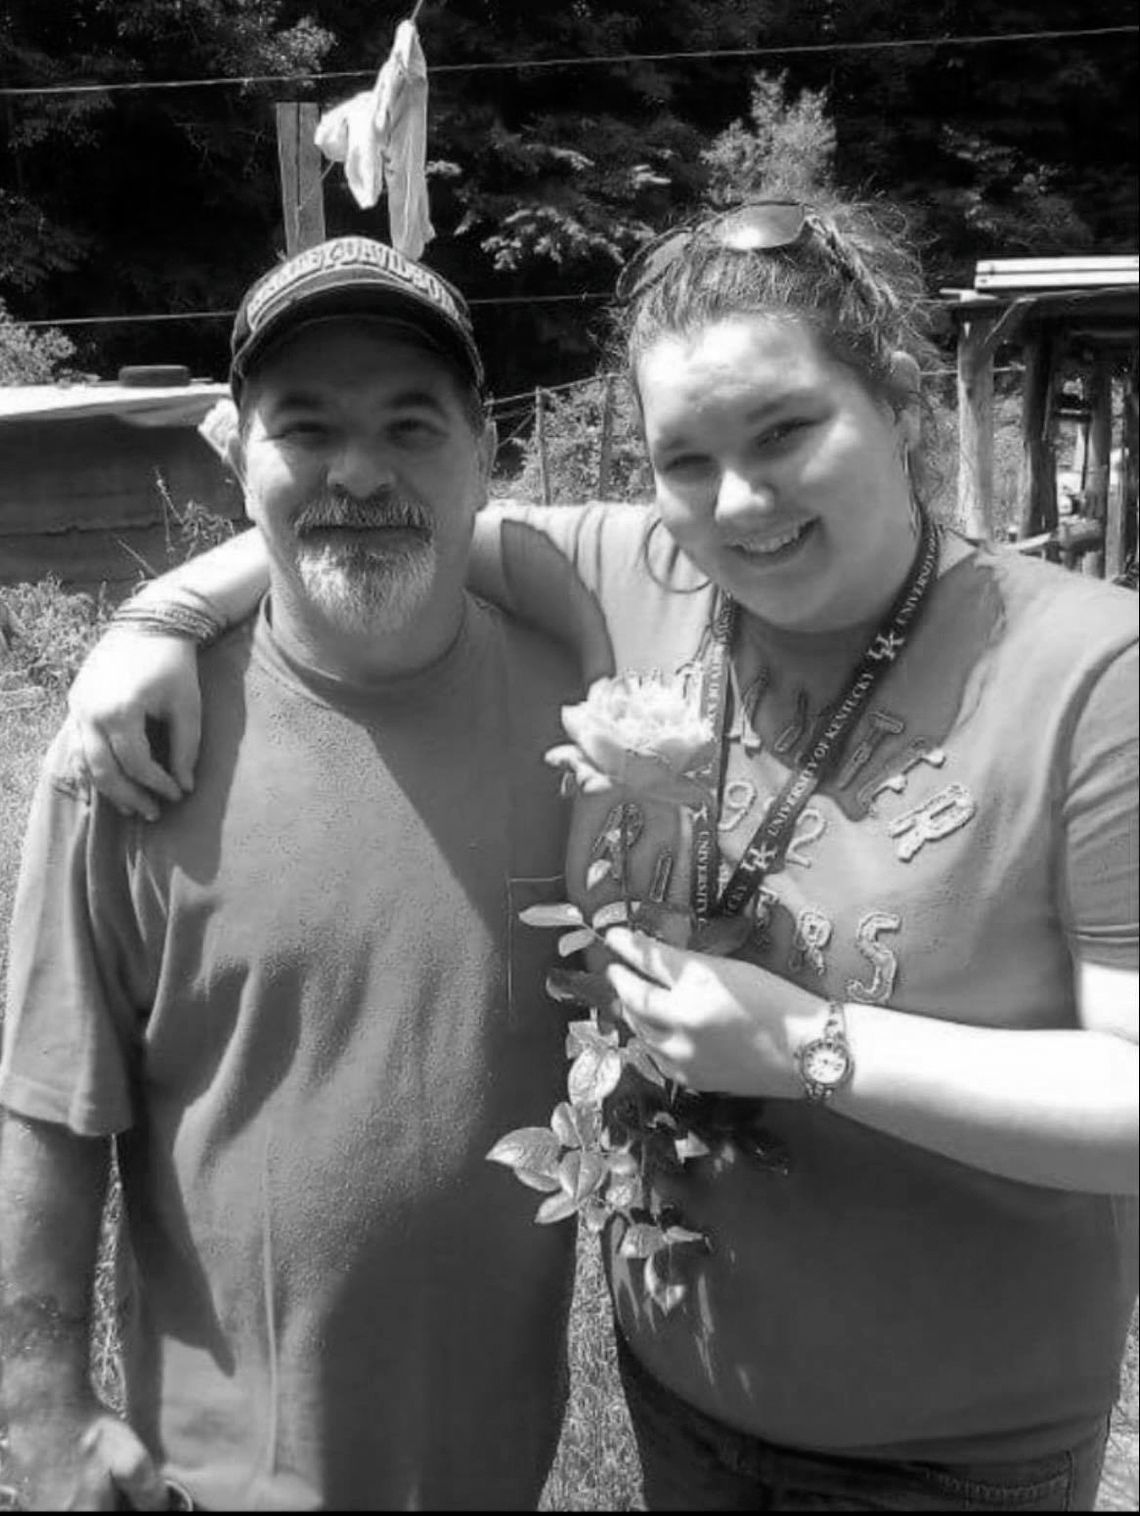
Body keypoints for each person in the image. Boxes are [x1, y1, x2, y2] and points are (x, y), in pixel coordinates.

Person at [65, 198, 1138, 1512]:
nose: (740, 502)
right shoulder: (645, 576)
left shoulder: (1092, 673)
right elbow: (373, 502)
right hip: (678, 1404)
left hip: (952, 1452)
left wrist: (815, 1046)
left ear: (900, 397)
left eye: (787, 431)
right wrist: (152, 621)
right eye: (686, 460)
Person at [0, 236, 581, 1511]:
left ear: (486, 448)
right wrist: (38, 1409)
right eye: (304, 426)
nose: (359, 471)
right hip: (215, 1479)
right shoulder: (131, 759)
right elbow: (50, 1104)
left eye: (411, 425)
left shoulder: (591, 720)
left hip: (496, 1464)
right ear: (232, 450)